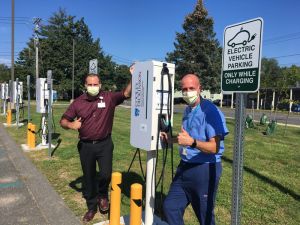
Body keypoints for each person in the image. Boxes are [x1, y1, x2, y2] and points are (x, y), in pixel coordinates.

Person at [60, 66, 133, 222]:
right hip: (86, 145)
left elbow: (126, 93)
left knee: (106, 174)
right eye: (90, 84)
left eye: (96, 84)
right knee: (89, 177)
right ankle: (92, 207)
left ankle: (102, 195)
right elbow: (63, 120)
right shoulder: (78, 103)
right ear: (85, 86)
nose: (93, 87)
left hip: (105, 144)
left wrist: (133, 76)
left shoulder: (109, 98)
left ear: (100, 85)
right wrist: (71, 125)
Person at [163, 74, 229, 225]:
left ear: (200, 89)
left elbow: (214, 147)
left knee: (205, 216)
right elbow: (187, 138)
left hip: (204, 169)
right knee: (170, 207)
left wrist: (192, 142)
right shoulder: (188, 109)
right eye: (184, 89)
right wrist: (170, 139)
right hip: (185, 166)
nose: (187, 92)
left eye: (191, 88)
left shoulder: (210, 111)